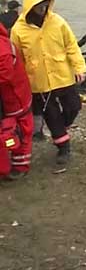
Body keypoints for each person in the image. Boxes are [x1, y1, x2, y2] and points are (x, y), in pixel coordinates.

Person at [10, 0, 86, 167]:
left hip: (63, 75)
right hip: (39, 81)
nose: (43, 9)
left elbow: (71, 45)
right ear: (31, 7)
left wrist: (79, 67)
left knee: (74, 106)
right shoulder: (18, 30)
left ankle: (63, 127)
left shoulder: (57, 22)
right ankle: (63, 147)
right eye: (39, 6)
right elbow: (17, 58)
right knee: (51, 114)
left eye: (45, 5)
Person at [0, 21, 34, 180]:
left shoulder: (3, 50)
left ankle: (20, 166)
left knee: (20, 132)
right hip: (8, 98)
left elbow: (4, 75)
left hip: (15, 98)